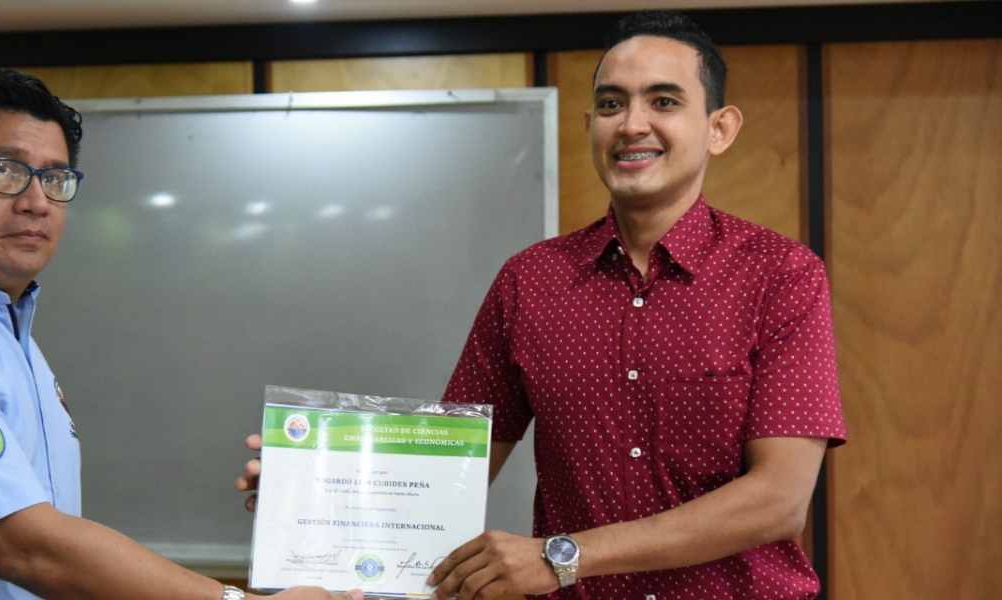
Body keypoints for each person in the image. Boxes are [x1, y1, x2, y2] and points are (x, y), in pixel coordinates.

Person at [238, 10, 845, 600]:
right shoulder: (530, 282)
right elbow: (445, 468)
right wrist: (319, 490)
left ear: (720, 127)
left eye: (663, 101)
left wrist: (565, 556)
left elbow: (779, 501)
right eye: (611, 103)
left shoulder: (781, 275)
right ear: (589, 124)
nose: (632, 124)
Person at [0, 70, 360, 600]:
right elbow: (24, 547)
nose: (36, 201)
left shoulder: (1, 327)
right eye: (6, 170)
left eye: (55, 178)